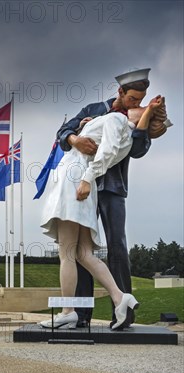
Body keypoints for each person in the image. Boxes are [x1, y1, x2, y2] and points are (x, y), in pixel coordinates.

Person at [56, 68, 168, 328]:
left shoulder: (138, 117)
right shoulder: (93, 108)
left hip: (113, 187)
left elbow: (139, 150)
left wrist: (147, 120)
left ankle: (125, 315)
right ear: (120, 92)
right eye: (132, 100)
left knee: (117, 244)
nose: (136, 104)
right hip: (82, 186)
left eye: (141, 101)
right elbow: (63, 131)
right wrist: (74, 139)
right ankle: (82, 314)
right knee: (81, 249)